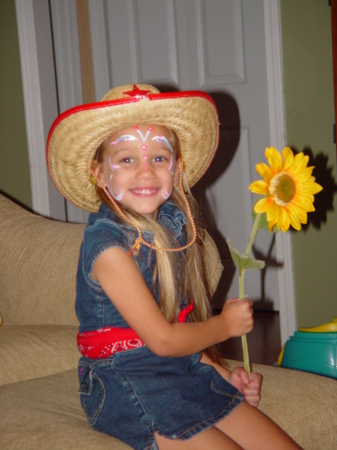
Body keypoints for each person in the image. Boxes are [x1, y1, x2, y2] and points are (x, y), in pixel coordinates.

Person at [47, 84, 302, 450]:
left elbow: (176, 327)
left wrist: (223, 375)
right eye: (127, 159)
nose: (146, 172)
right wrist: (224, 326)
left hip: (180, 371)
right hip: (127, 382)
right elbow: (164, 340)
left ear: (177, 168)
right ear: (100, 174)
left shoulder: (173, 229)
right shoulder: (107, 249)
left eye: (159, 159)